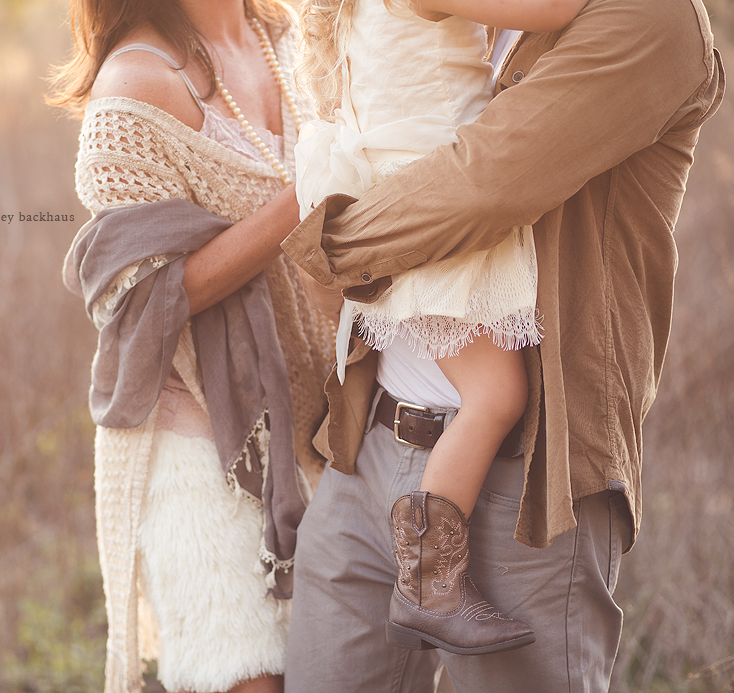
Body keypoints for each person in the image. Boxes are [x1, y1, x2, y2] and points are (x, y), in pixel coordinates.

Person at [281, 0, 724, 689]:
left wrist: (331, 245)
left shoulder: (651, 17)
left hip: (524, 483)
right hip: (370, 452)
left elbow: (480, 186)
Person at [291, 0, 603, 656]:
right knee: (496, 395)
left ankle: (426, 574)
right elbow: (550, 10)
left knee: (487, 389)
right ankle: (430, 583)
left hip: (411, 191)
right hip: (439, 209)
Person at [51, 2, 334, 692]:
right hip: (204, 442)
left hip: (326, 427)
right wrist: (306, 195)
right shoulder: (133, 89)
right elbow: (145, 300)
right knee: (249, 676)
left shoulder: (292, 34)